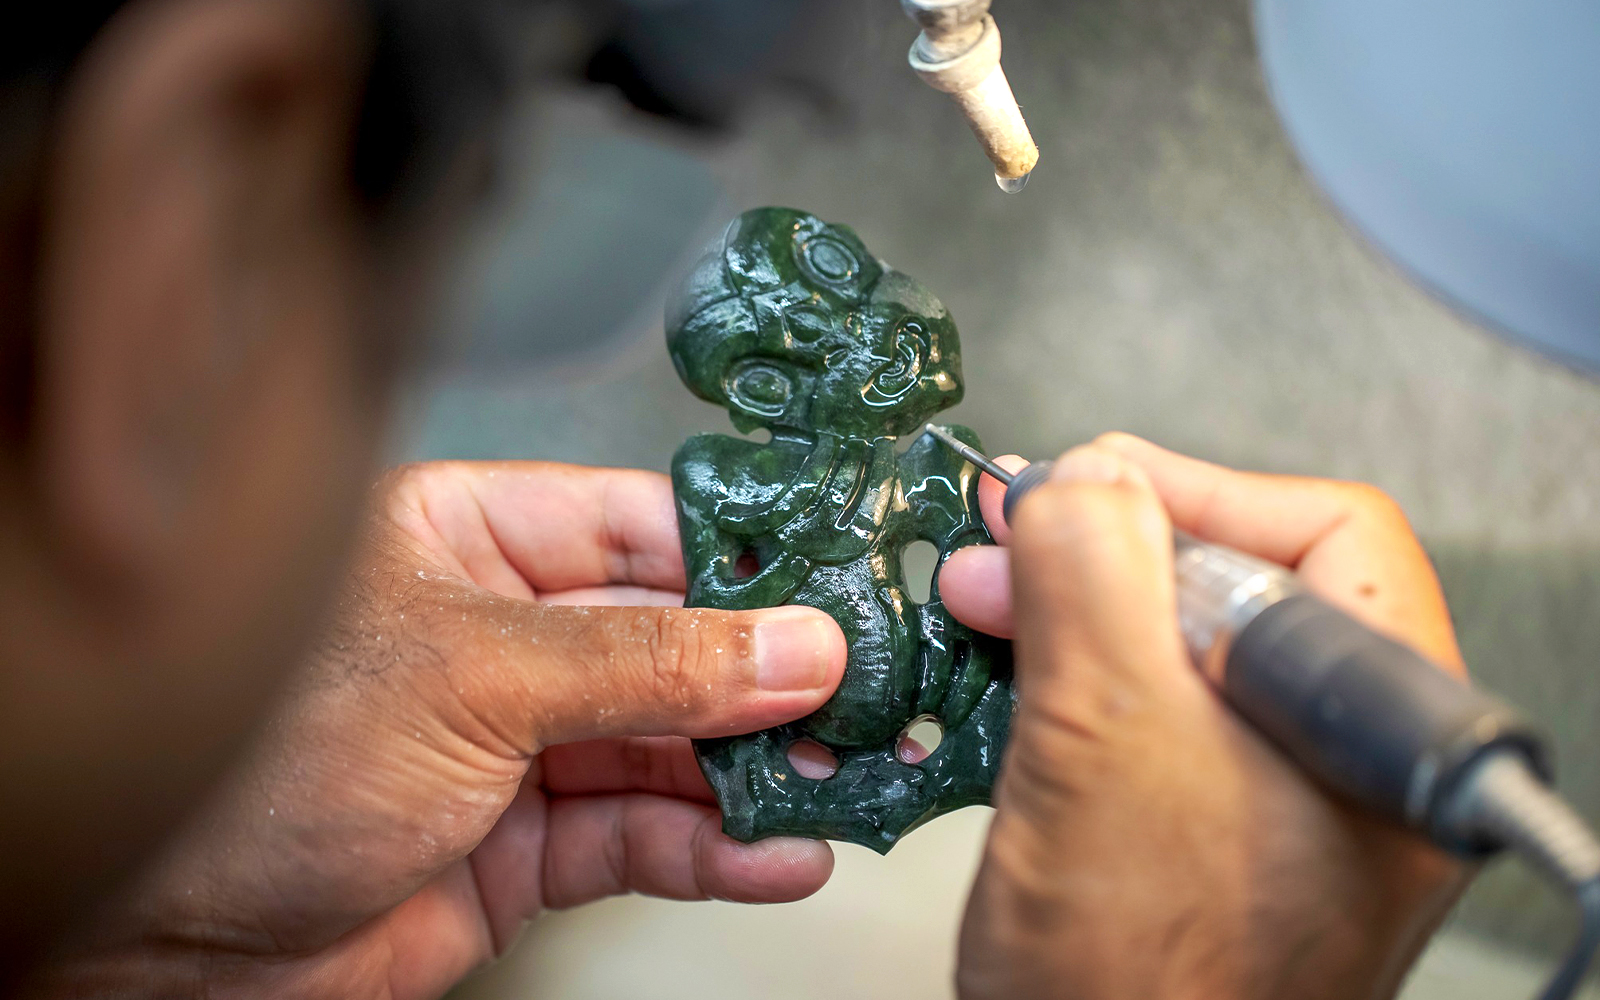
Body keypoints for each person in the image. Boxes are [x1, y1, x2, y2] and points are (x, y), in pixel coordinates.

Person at [1, 1, 1465, 997]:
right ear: (184, 244)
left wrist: (135, 935)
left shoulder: (921, 468)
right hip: (798, 735)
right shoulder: (725, 472)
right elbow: (743, 576)